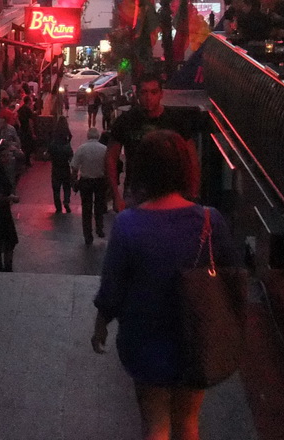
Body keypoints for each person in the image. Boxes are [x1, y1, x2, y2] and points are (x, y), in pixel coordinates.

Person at [91, 130, 239, 440]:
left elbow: (113, 288)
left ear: (142, 170)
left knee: (155, 423)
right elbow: (231, 276)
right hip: (195, 338)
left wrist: (101, 323)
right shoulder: (211, 221)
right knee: (188, 421)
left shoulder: (128, 224)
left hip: (145, 341)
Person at [105, 73, 197, 212]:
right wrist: (116, 196)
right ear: (137, 94)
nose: (148, 98)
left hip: (172, 191)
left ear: (161, 94)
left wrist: (192, 194)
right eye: (144, 92)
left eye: (153, 92)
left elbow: (192, 158)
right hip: (136, 190)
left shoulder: (176, 120)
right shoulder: (125, 121)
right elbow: (111, 158)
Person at [71, 127, 108, 244]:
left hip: (86, 181)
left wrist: (74, 181)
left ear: (88, 136)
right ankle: (99, 228)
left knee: (86, 208)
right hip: (100, 181)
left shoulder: (82, 149)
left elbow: (74, 166)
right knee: (99, 205)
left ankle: (88, 234)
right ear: (97, 136)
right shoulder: (104, 149)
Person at [47, 115, 74, 214]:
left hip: (56, 166)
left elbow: (49, 151)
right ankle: (66, 201)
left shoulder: (55, 132)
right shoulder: (66, 131)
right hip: (65, 164)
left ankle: (58, 206)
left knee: (56, 187)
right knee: (67, 185)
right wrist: (67, 142)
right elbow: (70, 137)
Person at [16, 95, 37, 167]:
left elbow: (16, 116)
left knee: (23, 145)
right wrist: (33, 132)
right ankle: (27, 161)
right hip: (27, 129)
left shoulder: (21, 108)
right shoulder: (28, 109)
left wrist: (20, 125)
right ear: (29, 101)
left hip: (22, 129)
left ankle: (22, 162)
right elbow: (30, 121)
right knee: (28, 146)